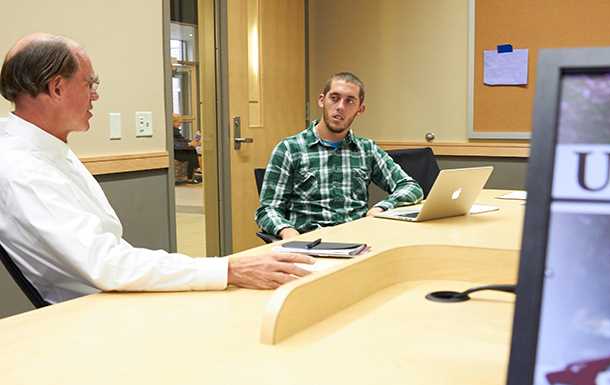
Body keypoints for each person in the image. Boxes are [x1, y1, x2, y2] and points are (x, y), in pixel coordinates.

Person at [0, 33, 313, 305]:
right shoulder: (22, 168)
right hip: (94, 316)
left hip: (114, 295)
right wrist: (230, 269)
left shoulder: (47, 149)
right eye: (89, 83)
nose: (95, 94)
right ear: (56, 88)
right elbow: (107, 265)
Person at [256, 72, 423, 239]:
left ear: (360, 109)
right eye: (334, 98)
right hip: (310, 243)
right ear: (322, 100)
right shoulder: (289, 149)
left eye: (350, 101)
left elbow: (411, 187)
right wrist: (287, 231)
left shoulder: (367, 149)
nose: (340, 107)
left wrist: (382, 208)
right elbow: (267, 210)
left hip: (359, 242)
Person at [172, 114, 201, 183]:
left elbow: (182, 140)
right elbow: (176, 145)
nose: (180, 124)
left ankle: (194, 171)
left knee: (192, 150)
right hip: (175, 152)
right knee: (191, 154)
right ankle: (191, 175)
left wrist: (191, 142)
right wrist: (189, 144)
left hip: (178, 150)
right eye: (178, 122)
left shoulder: (175, 131)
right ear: (173, 122)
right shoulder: (171, 132)